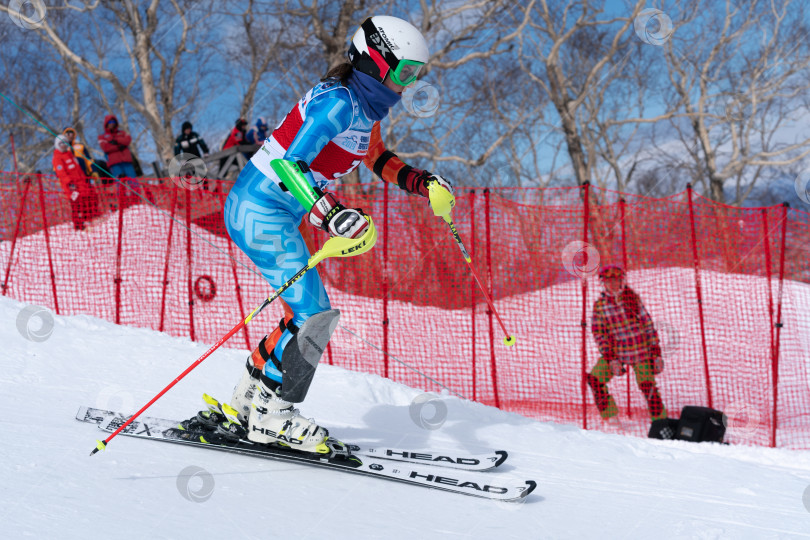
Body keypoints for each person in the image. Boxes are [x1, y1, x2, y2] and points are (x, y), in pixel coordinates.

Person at [192, 16, 453, 455]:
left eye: (415, 75)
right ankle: (275, 418)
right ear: (376, 62)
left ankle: (248, 400)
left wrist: (422, 183)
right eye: (405, 72)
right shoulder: (337, 103)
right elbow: (288, 165)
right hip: (259, 208)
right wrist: (329, 213)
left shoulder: (365, 111)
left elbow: (377, 158)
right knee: (315, 315)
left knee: (304, 312)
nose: (407, 85)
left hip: (275, 212)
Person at [586, 266, 667, 423]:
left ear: (622, 281)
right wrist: (610, 358)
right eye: (609, 281)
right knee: (595, 379)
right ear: (603, 283)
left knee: (648, 387)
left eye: (616, 280)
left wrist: (656, 353)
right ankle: (611, 418)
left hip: (641, 352)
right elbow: (599, 333)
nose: (613, 284)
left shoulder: (632, 300)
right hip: (617, 353)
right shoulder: (600, 306)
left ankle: (660, 422)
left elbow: (648, 325)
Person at [52, 135, 100, 230]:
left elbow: (78, 169)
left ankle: (89, 218)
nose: (63, 145)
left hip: (82, 183)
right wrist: (70, 184)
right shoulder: (57, 158)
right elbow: (61, 173)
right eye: (61, 143)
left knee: (89, 199)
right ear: (57, 145)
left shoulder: (70, 154)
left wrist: (86, 178)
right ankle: (78, 225)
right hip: (71, 187)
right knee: (76, 204)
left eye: (65, 143)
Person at [98, 115, 140, 193]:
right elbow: (105, 148)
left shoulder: (122, 133)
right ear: (106, 123)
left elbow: (127, 141)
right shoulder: (102, 136)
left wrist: (115, 140)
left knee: (133, 182)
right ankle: (122, 202)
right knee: (119, 184)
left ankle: (138, 201)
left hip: (126, 161)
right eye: (110, 122)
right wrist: (120, 146)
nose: (112, 123)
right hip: (114, 163)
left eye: (113, 121)